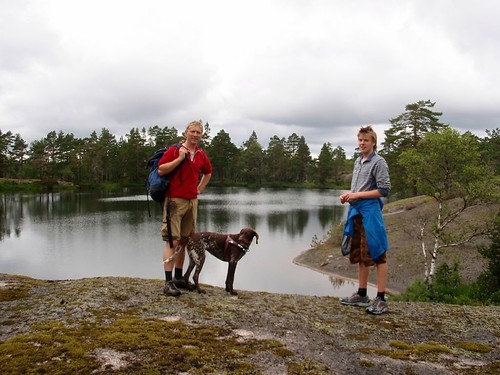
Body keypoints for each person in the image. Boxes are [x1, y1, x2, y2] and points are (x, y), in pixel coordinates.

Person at [339, 125, 391, 315]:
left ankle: (381, 299)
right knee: (361, 254)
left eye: (366, 140)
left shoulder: (379, 162)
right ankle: (362, 294)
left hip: (371, 213)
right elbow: (358, 189)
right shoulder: (358, 161)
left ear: (373, 142)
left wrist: (358, 195)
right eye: (360, 140)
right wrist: (348, 196)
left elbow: (384, 190)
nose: (362, 143)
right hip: (357, 212)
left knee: (378, 253)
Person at [158, 120, 212, 297]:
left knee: (184, 240)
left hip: (191, 201)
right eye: (193, 131)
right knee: (172, 241)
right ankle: (168, 282)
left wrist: (199, 189)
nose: (195, 135)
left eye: (199, 132)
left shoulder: (201, 155)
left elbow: (208, 172)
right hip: (174, 201)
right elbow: (161, 170)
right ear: (186, 132)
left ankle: (179, 278)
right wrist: (180, 158)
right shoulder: (175, 150)